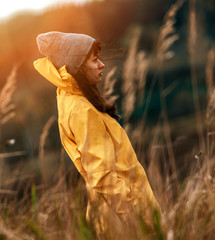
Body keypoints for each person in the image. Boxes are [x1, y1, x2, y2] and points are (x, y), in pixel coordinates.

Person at [33, 31, 160, 234]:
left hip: (114, 217)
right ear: (77, 69)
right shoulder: (83, 111)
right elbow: (102, 178)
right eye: (94, 60)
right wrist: (140, 220)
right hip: (124, 222)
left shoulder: (69, 96)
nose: (102, 65)